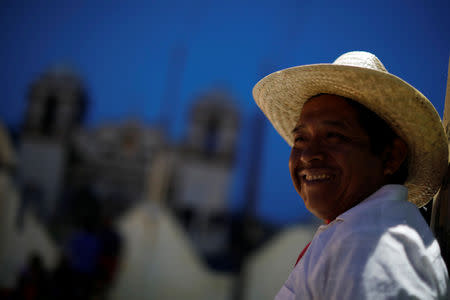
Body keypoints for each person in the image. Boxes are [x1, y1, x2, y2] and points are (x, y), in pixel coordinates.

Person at [252, 51, 449, 299]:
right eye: (300, 138)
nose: (306, 155)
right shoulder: (358, 234)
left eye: (333, 136)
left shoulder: (374, 243)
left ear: (390, 157)